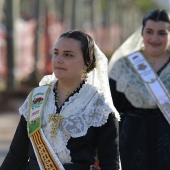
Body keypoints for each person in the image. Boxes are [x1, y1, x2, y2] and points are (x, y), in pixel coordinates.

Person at [0, 31, 120, 170]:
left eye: (68, 55)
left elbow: (110, 164)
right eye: (56, 53)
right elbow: (16, 155)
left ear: (87, 63)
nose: (58, 59)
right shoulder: (36, 98)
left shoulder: (99, 108)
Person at [108, 9, 170, 170]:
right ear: (141, 33)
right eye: (149, 32)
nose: (154, 38)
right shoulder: (123, 66)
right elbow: (108, 111)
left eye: (162, 33)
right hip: (130, 144)